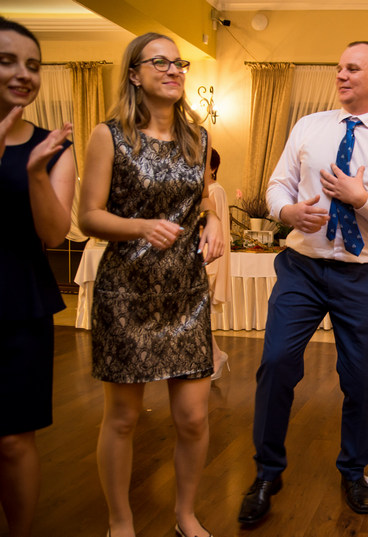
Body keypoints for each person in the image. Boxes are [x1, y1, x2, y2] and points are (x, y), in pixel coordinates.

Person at [238, 41, 368, 524]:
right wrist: (287, 212)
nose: (340, 75)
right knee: (276, 363)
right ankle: (266, 471)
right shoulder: (308, 126)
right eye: (339, 67)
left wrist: (363, 200)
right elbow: (277, 185)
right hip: (302, 268)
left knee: (362, 380)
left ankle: (353, 470)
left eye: (352, 69)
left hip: (364, 276)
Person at [78, 33, 223, 537]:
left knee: (194, 419)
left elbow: (201, 197)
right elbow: (89, 216)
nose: (173, 69)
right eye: (159, 61)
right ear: (134, 74)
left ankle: (185, 515)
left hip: (185, 292)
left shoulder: (199, 138)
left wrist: (214, 218)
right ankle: (120, 521)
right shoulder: (109, 136)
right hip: (126, 293)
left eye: (178, 62)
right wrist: (141, 226)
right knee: (122, 418)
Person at [0, 17, 75, 537]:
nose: (23, 74)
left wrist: (33, 174)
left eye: (33, 64)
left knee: (13, 439)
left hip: (19, 300)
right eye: (7, 61)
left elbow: (52, 233)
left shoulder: (53, 147)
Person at [205, 148, 232, 380]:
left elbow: (214, 229)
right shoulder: (208, 191)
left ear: (213, 168)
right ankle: (214, 355)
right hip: (202, 256)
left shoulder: (215, 191)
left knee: (195, 313)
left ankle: (215, 355)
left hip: (206, 259)